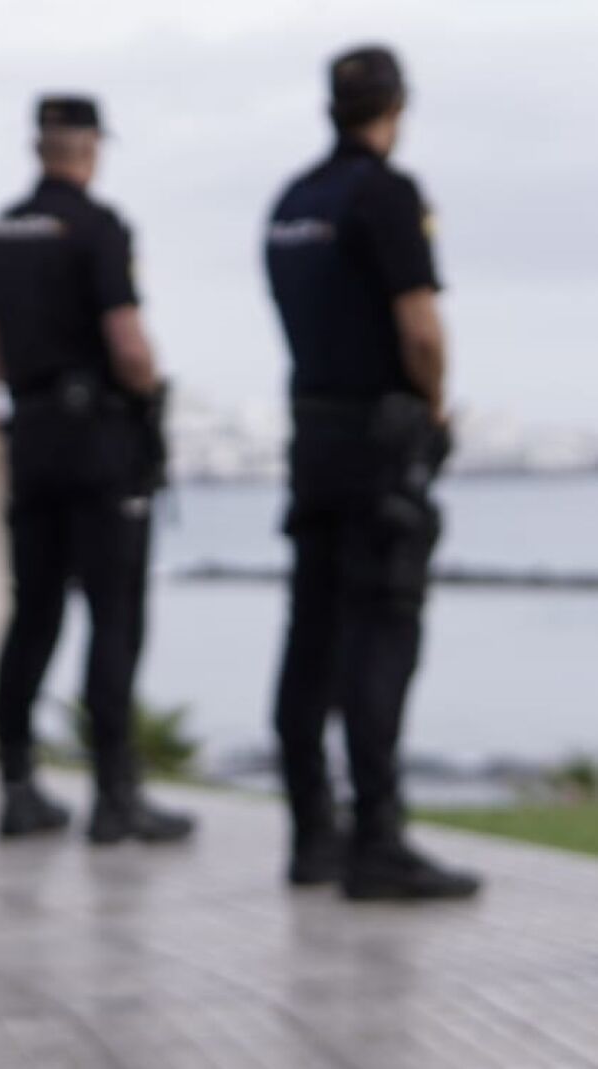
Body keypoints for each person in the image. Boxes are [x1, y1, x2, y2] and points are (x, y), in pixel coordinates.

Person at [265, 46, 479, 900]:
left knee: (309, 633)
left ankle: (310, 834)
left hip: (311, 437)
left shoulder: (291, 201)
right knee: (381, 632)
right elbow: (419, 328)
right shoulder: (384, 194)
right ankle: (376, 840)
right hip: (377, 442)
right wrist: (432, 408)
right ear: (396, 108)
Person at [0, 96, 194, 845]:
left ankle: (16, 785)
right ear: (91, 147)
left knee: (32, 613)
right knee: (114, 615)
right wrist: (145, 394)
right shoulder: (99, 228)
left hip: (31, 438)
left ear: (39, 147)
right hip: (99, 443)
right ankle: (114, 795)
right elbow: (127, 343)